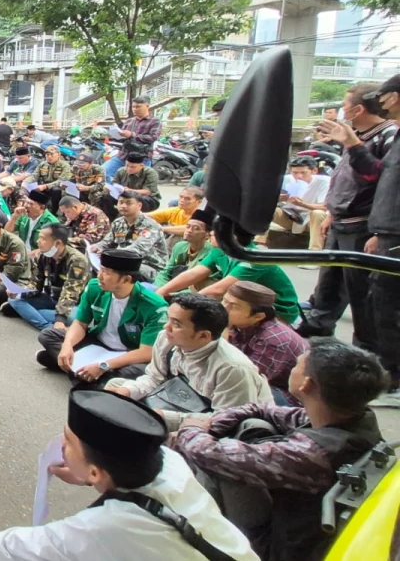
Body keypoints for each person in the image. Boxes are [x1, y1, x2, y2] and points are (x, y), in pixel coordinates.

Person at [0, 389, 257, 561]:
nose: (60, 446)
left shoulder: (104, 528)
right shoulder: (169, 462)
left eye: (68, 442)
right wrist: (90, 477)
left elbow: (10, 549)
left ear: (96, 471)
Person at [170, 338, 388, 561]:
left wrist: (191, 429)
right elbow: (264, 409)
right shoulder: (354, 416)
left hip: (281, 550)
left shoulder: (314, 453)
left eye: (296, 366)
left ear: (306, 385)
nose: (292, 369)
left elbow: (210, 454)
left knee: (221, 467)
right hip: (304, 524)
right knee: (254, 426)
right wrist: (214, 424)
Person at [300, 83, 395, 346]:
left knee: (361, 291)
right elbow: (343, 178)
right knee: (329, 283)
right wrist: (331, 212)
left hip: (363, 225)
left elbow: (377, 177)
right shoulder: (356, 136)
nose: (342, 112)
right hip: (341, 220)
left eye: (344, 106)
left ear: (358, 109)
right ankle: (318, 328)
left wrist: (378, 232)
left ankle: (365, 347)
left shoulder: (387, 136)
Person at [105, 293, 272, 431]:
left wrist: (165, 417)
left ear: (203, 336)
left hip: (214, 418)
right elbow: (155, 378)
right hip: (176, 397)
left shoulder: (233, 368)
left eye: (176, 324)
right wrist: (127, 391)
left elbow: (227, 420)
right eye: (169, 319)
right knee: (118, 385)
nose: (166, 328)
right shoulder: (166, 338)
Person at [36, 249, 168, 384]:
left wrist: (104, 365)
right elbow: (80, 324)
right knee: (48, 335)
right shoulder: (95, 287)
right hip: (97, 344)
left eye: (106, 272)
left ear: (126, 279)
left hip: (127, 354)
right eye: (100, 269)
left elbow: (146, 352)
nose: (99, 276)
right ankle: (87, 375)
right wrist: (67, 345)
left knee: (138, 371)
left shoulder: (154, 306)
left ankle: (78, 371)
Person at [157, 225, 302, 326]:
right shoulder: (220, 249)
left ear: (232, 237)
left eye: (216, 232)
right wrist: (161, 292)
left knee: (206, 321)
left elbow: (219, 290)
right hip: (245, 299)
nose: (210, 234)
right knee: (199, 284)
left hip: (274, 309)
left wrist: (181, 306)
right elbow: (194, 273)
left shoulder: (254, 258)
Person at [222, 281, 308, 406]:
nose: (224, 308)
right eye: (224, 301)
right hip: (263, 380)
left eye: (234, 306)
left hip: (288, 395)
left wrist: (222, 332)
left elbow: (246, 380)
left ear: (258, 316)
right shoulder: (239, 323)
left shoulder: (272, 340)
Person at [367, 74, 400, 404]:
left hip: (396, 234)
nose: (384, 102)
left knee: (390, 308)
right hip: (388, 232)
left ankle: (394, 379)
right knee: (380, 303)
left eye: (387, 96)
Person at [5, 224, 89, 332]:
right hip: (51, 298)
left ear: (57, 243)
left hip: (75, 305)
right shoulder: (42, 255)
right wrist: (19, 292)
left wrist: (60, 319)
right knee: (14, 299)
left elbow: (71, 292)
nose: (38, 241)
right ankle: (48, 327)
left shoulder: (77, 260)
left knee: (70, 318)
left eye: (43, 238)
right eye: (39, 237)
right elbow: (35, 283)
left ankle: (41, 320)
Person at [90, 190, 169, 283]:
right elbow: (107, 241)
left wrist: (110, 254)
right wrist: (96, 247)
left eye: (129, 203)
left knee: (114, 270)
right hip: (122, 261)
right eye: (121, 202)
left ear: (139, 206)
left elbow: (137, 250)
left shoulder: (150, 225)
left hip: (149, 266)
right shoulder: (118, 222)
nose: (123, 206)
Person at [256, 157, 329, 249]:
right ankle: (260, 243)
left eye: (303, 173)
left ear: (314, 171)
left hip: (311, 220)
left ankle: (315, 250)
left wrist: (302, 204)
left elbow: (325, 207)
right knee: (267, 208)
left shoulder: (324, 182)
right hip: (292, 217)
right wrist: (278, 198)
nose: (299, 176)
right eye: (295, 172)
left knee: (318, 213)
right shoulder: (287, 179)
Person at [102, 95, 162, 182]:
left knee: (138, 183)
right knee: (102, 173)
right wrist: (117, 135)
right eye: (133, 106)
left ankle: (126, 193)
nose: (135, 109)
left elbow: (153, 137)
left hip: (141, 158)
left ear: (147, 106)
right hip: (123, 155)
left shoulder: (155, 121)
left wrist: (132, 135)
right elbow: (123, 137)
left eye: (138, 107)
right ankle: (116, 192)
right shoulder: (129, 121)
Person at [155, 208, 216, 288]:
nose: (189, 230)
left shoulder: (211, 254)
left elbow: (198, 287)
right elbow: (166, 272)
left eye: (196, 228)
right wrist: (161, 287)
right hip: (169, 288)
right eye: (188, 226)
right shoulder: (180, 246)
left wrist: (169, 293)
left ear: (207, 235)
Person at [101, 152, 160, 217]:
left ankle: (131, 220)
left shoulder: (150, 172)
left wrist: (130, 191)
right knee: (106, 198)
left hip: (148, 199)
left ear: (141, 166)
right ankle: (111, 219)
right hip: (124, 196)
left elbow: (148, 192)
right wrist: (109, 189)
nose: (129, 168)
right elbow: (115, 185)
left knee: (133, 201)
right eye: (127, 165)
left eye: (133, 167)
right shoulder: (121, 171)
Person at [31, 144, 72, 213]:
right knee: (32, 188)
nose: (49, 157)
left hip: (59, 188)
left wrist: (46, 186)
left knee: (56, 190)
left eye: (52, 154)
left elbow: (62, 180)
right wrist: (25, 182)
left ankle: (54, 212)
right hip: (44, 186)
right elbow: (34, 175)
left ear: (59, 155)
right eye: (47, 155)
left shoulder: (65, 165)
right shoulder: (43, 164)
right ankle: (36, 210)